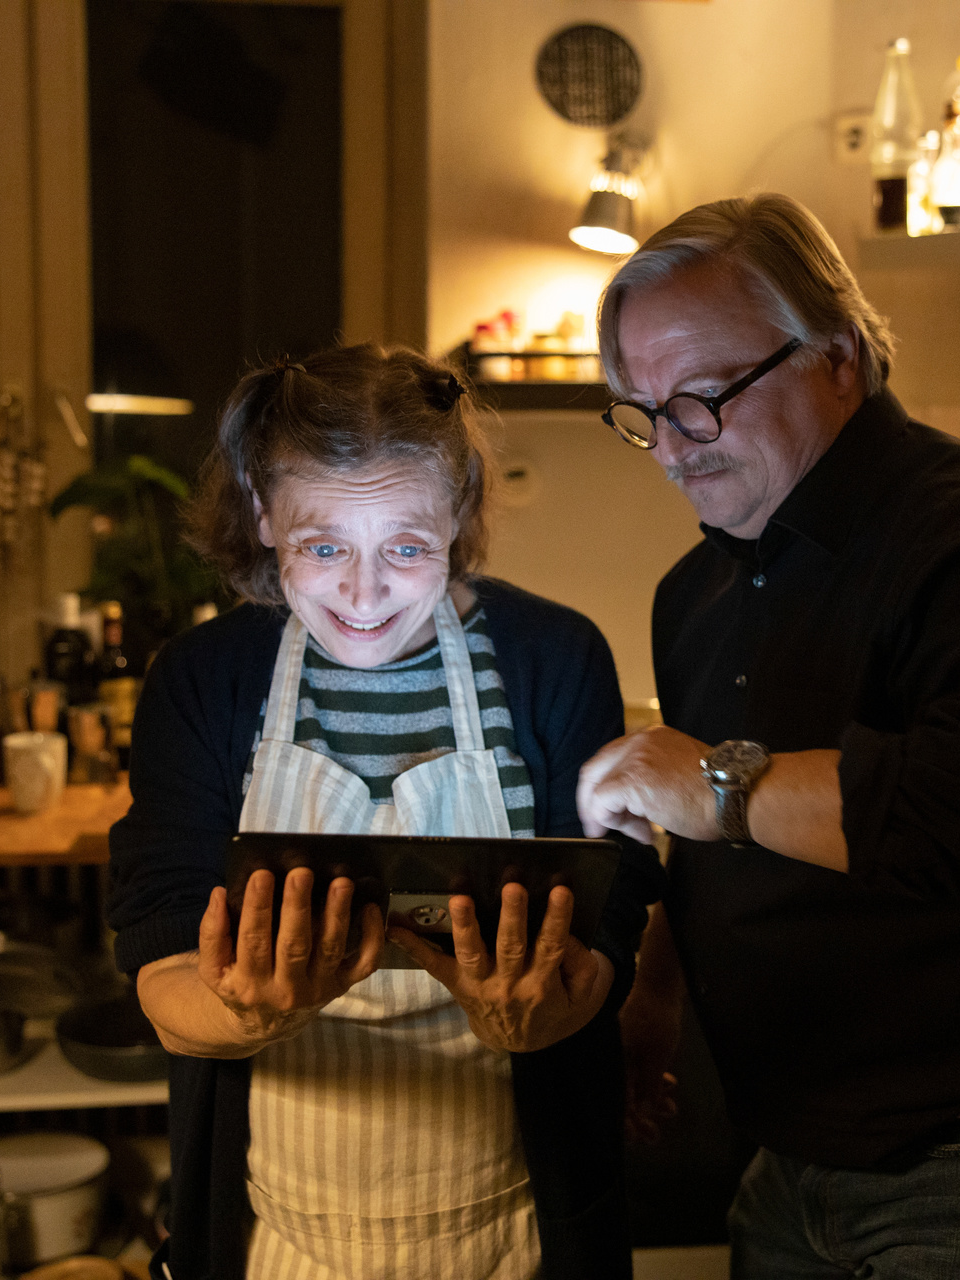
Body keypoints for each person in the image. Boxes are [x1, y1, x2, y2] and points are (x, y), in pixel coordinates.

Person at [575, 193, 960, 1279]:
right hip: (796, 1137)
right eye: (644, 411)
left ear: (838, 357)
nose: (670, 447)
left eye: (703, 400)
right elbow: (720, 841)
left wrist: (714, 782)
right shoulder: (695, 591)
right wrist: (657, 994)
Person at [107, 344, 662, 1280]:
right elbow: (163, 975)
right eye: (323, 547)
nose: (363, 596)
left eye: (406, 548)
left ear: (460, 515)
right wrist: (252, 1015)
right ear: (262, 513)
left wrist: (542, 1018)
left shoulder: (554, 658)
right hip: (277, 1239)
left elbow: (610, 919)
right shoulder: (205, 679)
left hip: (518, 1232)